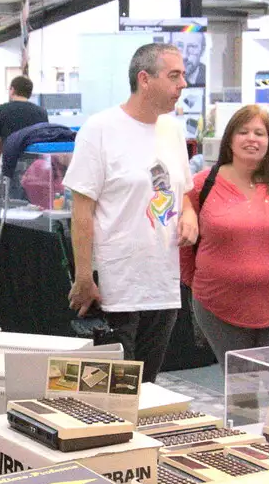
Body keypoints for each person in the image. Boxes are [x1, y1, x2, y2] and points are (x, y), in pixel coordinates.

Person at [64, 43, 197, 382]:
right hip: (116, 287)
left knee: (147, 386)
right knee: (114, 393)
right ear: (144, 79)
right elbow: (82, 211)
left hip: (162, 284)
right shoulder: (100, 129)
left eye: (183, 75)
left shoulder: (173, 130)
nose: (183, 84)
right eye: (174, 75)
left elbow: (183, 192)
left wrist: (189, 215)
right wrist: (83, 276)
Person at [180, 105, 269, 362]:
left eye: (259, 133)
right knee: (242, 393)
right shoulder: (202, 183)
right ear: (230, 139)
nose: (251, 138)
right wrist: (197, 282)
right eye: (243, 132)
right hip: (219, 306)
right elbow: (183, 241)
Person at [0, 76, 48, 190]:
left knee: (12, 204)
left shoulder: (1, 110)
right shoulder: (41, 112)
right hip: (35, 170)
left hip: (11, 168)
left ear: (12, 90)